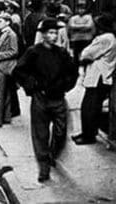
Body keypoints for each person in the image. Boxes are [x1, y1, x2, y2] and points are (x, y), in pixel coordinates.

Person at [12, 18, 78, 182]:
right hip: (40, 98)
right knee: (40, 134)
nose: (54, 36)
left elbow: (72, 73)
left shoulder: (62, 53)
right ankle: (44, 167)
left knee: (60, 131)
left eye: (56, 33)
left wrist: (65, 86)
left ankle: (51, 155)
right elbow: (19, 71)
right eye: (50, 33)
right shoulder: (33, 52)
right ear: (43, 35)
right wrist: (32, 86)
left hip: (58, 99)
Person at [71, 14, 116, 145]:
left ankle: (88, 135)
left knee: (89, 107)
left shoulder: (105, 38)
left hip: (99, 76)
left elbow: (87, 54)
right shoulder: (109, 38)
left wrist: (84, 55)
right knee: (92, 106)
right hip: (99, 75)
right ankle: (87, 133)